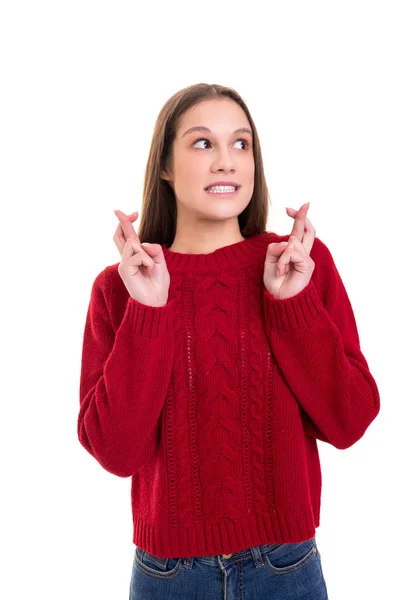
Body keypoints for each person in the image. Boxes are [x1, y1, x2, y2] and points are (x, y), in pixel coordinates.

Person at [78, 83, 380, 599]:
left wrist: (292, 307)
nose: (227, 162)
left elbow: (350, 421)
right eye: (203, 143)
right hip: (168, 577)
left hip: (287, 567)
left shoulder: (299, 264)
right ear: (165, 167)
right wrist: (149, 313)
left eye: (241, 144)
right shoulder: (121, 287)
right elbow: (115, 451)